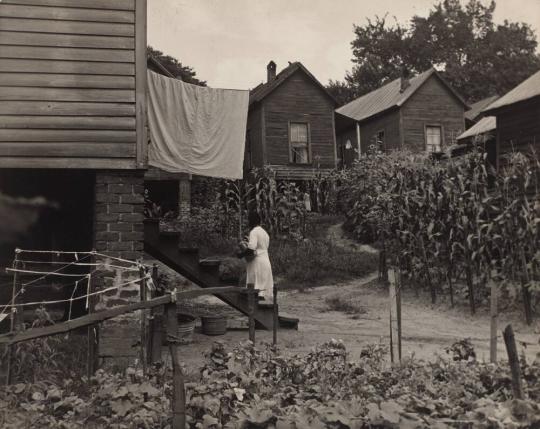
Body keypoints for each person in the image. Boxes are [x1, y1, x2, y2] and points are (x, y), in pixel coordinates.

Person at [241, 212, 274, 301]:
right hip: (266, 261)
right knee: (263, 289)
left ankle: (256, 310)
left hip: (257, 263)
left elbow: (251, 248)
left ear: (251, 221)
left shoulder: (254, 232)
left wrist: (241, 254)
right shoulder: (265, 233)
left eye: (248, 221)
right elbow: (261, 247)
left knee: (255, 288)